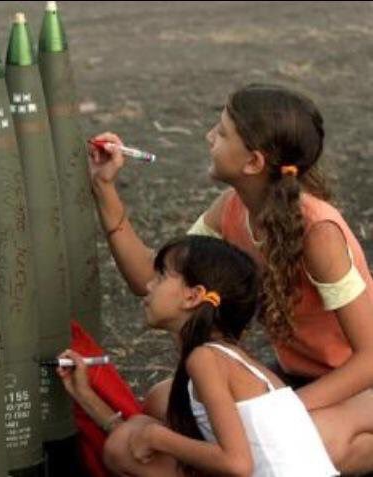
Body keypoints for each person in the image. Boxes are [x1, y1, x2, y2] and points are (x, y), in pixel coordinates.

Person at [86, 83, 373, 473]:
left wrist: (279, 411)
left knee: (292, 445)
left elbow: (369, 359)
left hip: (357, 388)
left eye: (221, 133)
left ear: (253, 162)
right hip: (291, 378)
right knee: (162, 402)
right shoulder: (233, 208)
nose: (209, 137)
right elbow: (150, 278)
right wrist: (104, 187)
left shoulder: (319, 232)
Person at [59, 235, 339, 476]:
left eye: (161, 276)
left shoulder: (205, 360)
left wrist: (157, 437)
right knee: (134, 431)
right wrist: (88, 398)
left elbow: (237, 464)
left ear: (193, 297)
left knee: (129, 439)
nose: (149, 285)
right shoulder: (229, 358)